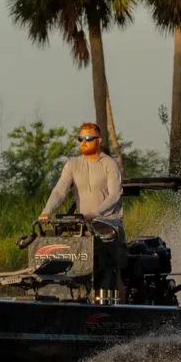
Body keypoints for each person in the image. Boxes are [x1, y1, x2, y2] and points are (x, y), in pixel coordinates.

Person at [39, 122, 128, 302]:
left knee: (112, 270)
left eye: (88, 138)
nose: (84, 142)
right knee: (80, 268)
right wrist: (46, 211)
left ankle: (122, 311)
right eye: (81, 138)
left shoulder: (109, 164)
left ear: (99, 140)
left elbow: (115, 195)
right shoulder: (72, 164)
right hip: (84, 227)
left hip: (108, 225)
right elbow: (59, 191)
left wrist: (95, 213)